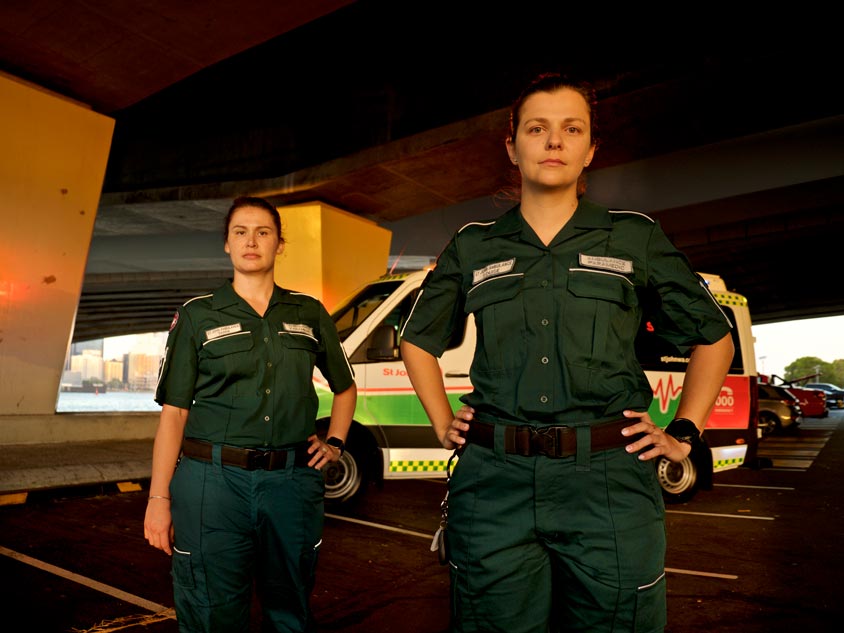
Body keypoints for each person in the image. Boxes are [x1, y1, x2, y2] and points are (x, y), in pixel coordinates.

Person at [399, 73, 735, 633]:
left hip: (609, 481)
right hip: (494, 479)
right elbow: (417, 340)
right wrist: (441, 423)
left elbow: (713, 337)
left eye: (570, 129)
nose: (554, 142)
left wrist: (685, 434)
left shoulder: (634, 238)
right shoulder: (473, 245)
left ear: (589, 149)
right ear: (512, 145)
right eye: (538, 128)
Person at [144, 195, 356, 632]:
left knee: (290, 610)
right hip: (211, 485)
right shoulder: (197, 315)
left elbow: (345, 387)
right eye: (240, 232)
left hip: (290, 485)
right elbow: (174, 415)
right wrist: (158, 499)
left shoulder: (308, 312)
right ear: (227, 244)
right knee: (211, 614)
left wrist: (334, 443)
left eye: (263, 232)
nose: (251, 241)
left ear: (280, 244)